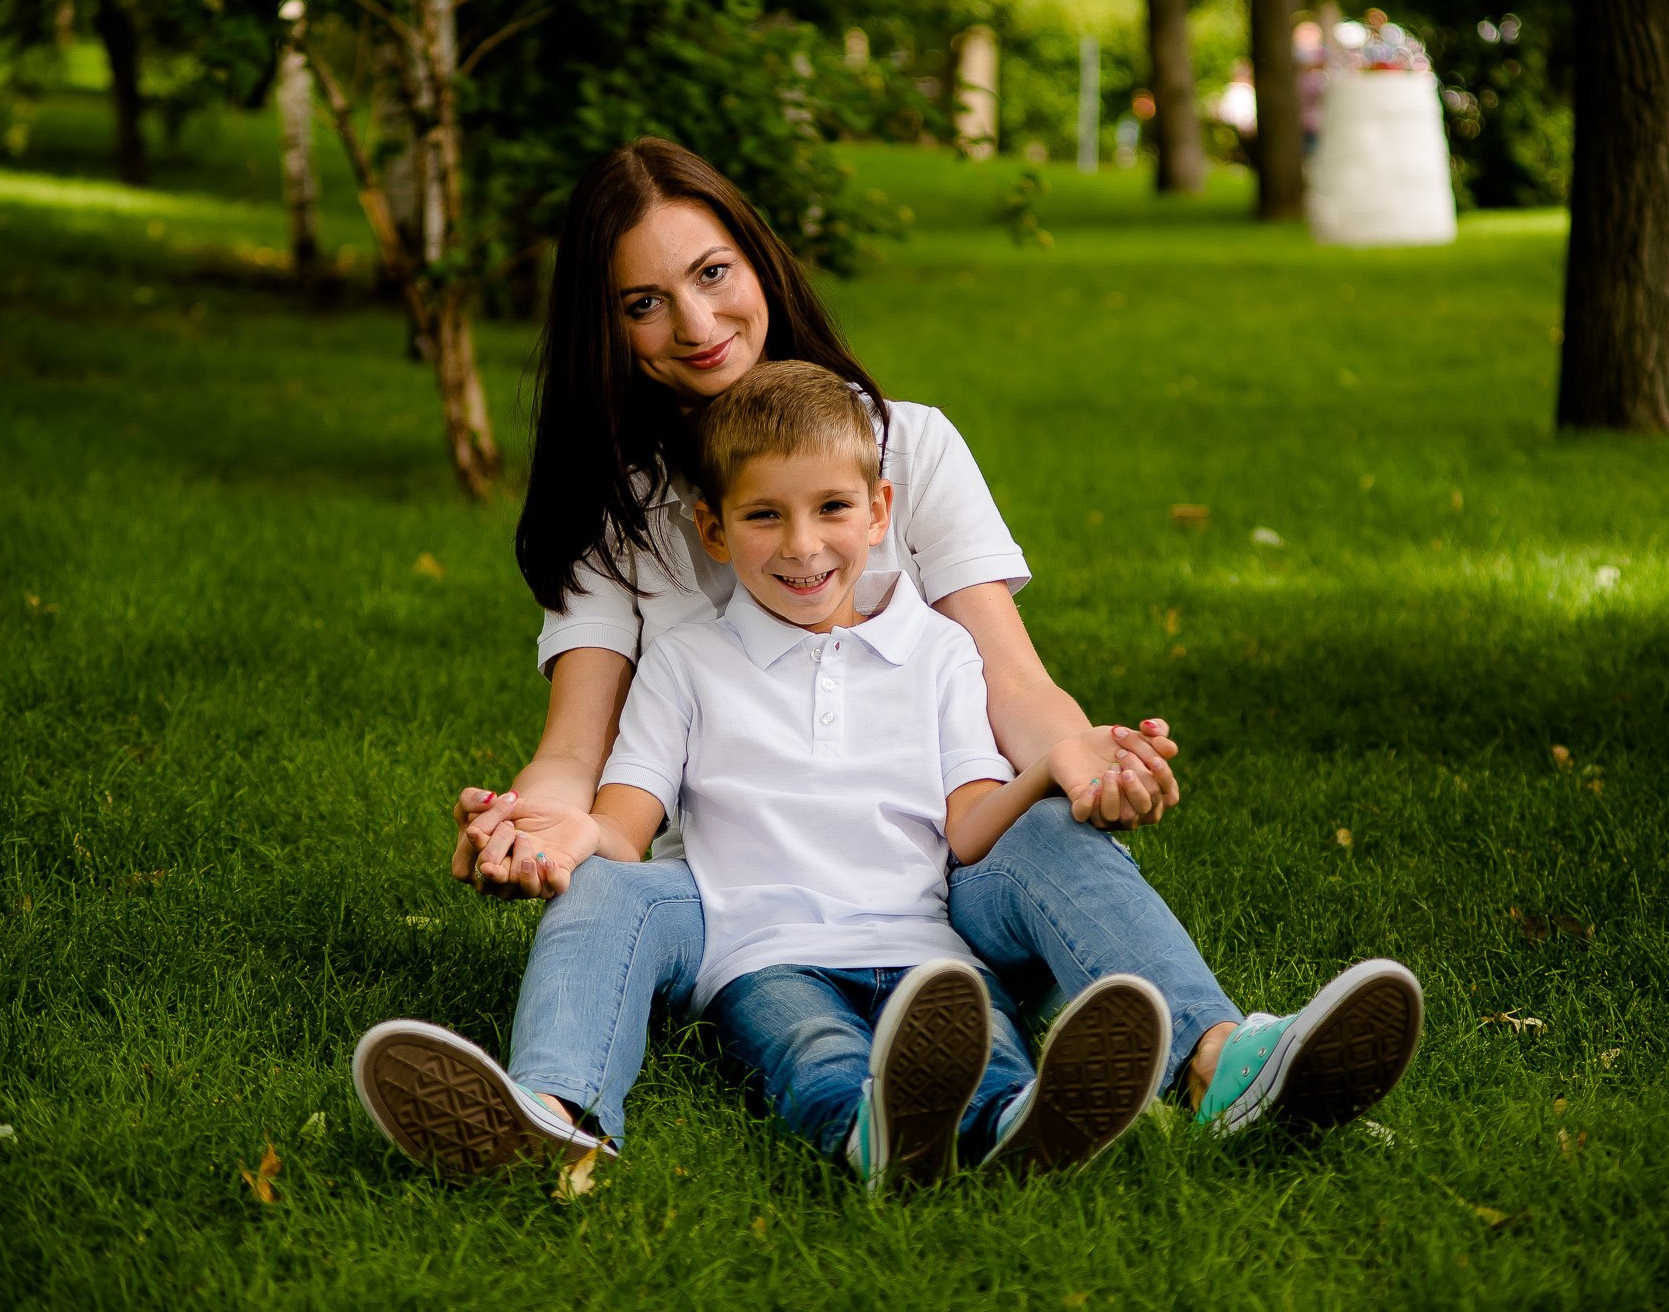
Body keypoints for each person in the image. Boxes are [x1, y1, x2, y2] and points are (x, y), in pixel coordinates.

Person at [350, 138, 1422, 1176]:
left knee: (1049, 824)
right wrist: (536, 827)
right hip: (736, 894)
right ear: (607, 329)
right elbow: (576, 751)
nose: (694, 322)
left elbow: (1010, 680)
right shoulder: (619, 517)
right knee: (613, 885)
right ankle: (553, 1109)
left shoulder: (905, 444)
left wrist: (1080, 759)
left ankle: (1219, 1062)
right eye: (642, 303)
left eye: (712, 272)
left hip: (923, 885)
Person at [507, 360, 1176, 1186]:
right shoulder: (685, 663)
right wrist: (578, 832)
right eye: (764, 516)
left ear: (878, 512)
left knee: (980, 1042)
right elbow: (626, 826)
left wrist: (1051, 769)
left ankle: (1017, 1123)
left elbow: (967, 828)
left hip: (924, 944)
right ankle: (852, 1133)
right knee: (814, 1049)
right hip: (763, 951)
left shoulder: (939, 651)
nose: (802, 545)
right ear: (713, 531)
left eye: (832, 508)